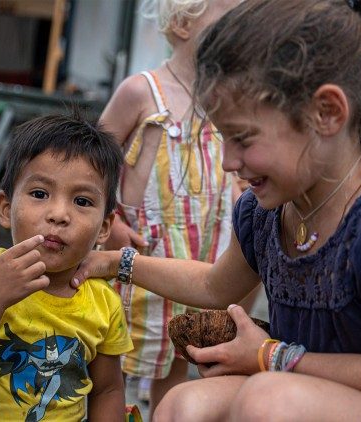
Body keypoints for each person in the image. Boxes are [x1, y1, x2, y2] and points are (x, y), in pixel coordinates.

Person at [72, 0, 361, 420]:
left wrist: (272, 356)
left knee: (268, 400)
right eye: (222, 139)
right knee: (183, 404)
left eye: (244, 139)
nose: (229, 161)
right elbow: (215, 285)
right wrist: (115, 263)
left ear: (326, 113)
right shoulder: (271, 211)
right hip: (307, 390)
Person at [0, 112, 133, 422]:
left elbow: (108, 391)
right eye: (39, 194)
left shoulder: (104, 303)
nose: (59, 214)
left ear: (105, 227)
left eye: (82, 201)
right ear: (6, 209)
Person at [98, 0, 244, 414]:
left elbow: (230, 173)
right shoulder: (141, 91)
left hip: (199, 265)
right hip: (140, 259)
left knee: (179, 363)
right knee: (114, 362)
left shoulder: (225, 99)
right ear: (182, 23)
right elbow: (92, 163)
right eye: (227, 21)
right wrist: (108, 223)